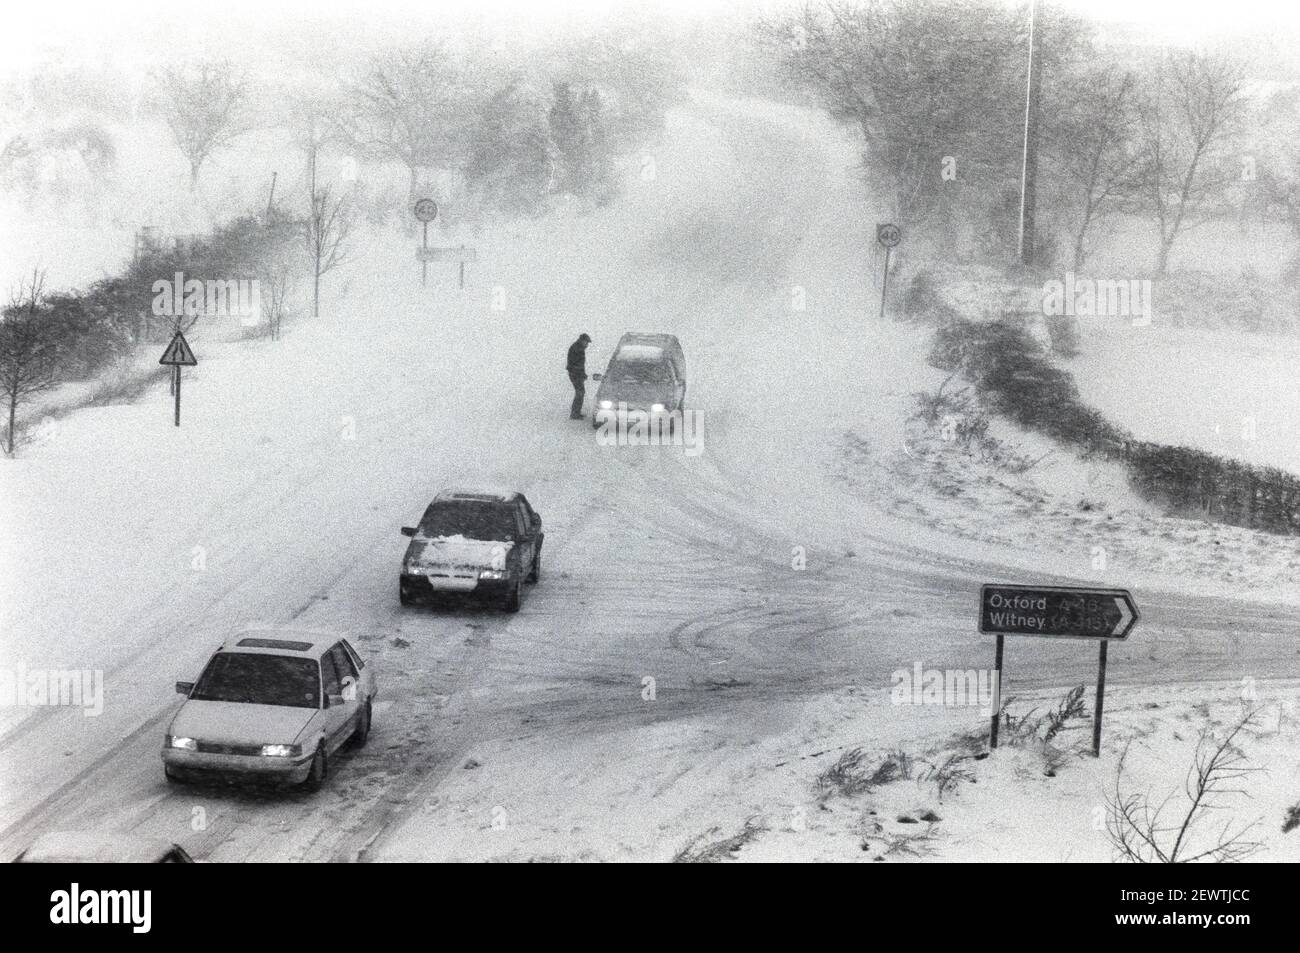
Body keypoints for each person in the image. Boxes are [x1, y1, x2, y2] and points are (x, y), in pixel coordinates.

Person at [566, 333, 592, 420]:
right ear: (582, 340)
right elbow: (576, 364)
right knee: (580, 392)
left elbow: (579, 364)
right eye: (586, 342)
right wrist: (581, 374)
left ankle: (576, 411)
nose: (587, 345)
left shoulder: (578, 348)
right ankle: (575, 413)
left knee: (580, 392)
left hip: (576, 373)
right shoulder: (577, 349)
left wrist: (582, 374)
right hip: (575, 374)